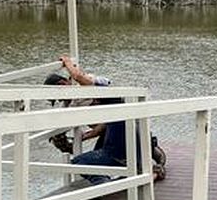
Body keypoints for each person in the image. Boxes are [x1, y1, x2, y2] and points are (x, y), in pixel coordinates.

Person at [44, 55, 165, 184]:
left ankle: (104, 183)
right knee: (100, 153)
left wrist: (67, 62)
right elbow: (104, 125)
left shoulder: (99, 91)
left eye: (58, 97)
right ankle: (135, 170)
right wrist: (75, 139)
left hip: (121, 144)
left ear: (62, 84)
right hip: (121, 140)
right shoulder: (76, 103)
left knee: (79, 162)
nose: (60, 100)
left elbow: (79, 77)